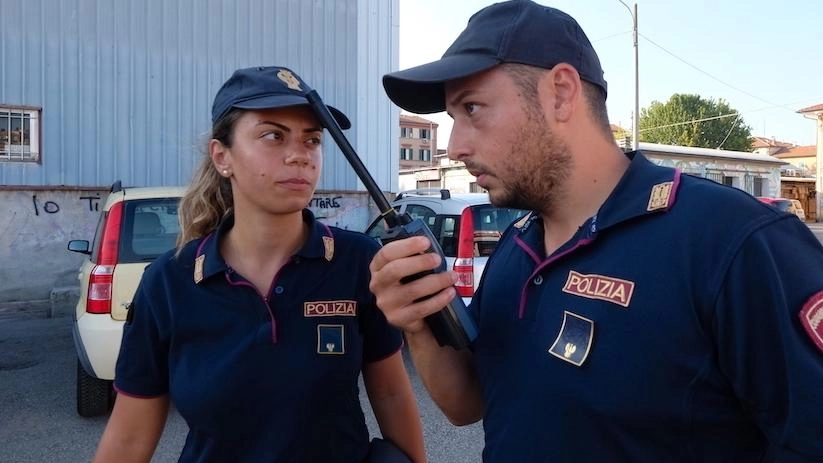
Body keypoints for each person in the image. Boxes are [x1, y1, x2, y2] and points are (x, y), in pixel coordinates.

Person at [368, 1, 823, 461]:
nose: (455, 146)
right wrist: (418, 323)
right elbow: (470, 403)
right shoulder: (517, 247)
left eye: (472, 108)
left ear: (561, 93)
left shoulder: (732, 242)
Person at [93, 66, 426, 463]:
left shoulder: (359, 262)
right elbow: (130, 438)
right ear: (222, 157)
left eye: (312, 139)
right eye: (273, 135)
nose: (299, 155)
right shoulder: (169, 281)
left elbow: (390, 394)